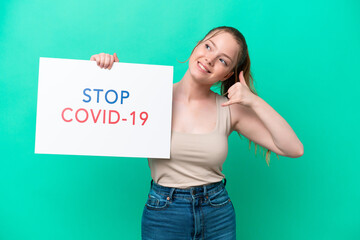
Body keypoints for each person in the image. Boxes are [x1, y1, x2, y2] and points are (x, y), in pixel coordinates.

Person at [90, 26, 304, 240]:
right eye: (208, 46)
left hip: (217, 212)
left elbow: (293, 148)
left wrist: (253, 101)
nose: (209, 59)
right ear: (197, 46)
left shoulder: (230, 108)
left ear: (228, 74)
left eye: (223, 60)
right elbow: (100, 120)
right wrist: (107, 75)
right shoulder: (150, 95)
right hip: (163, 214)